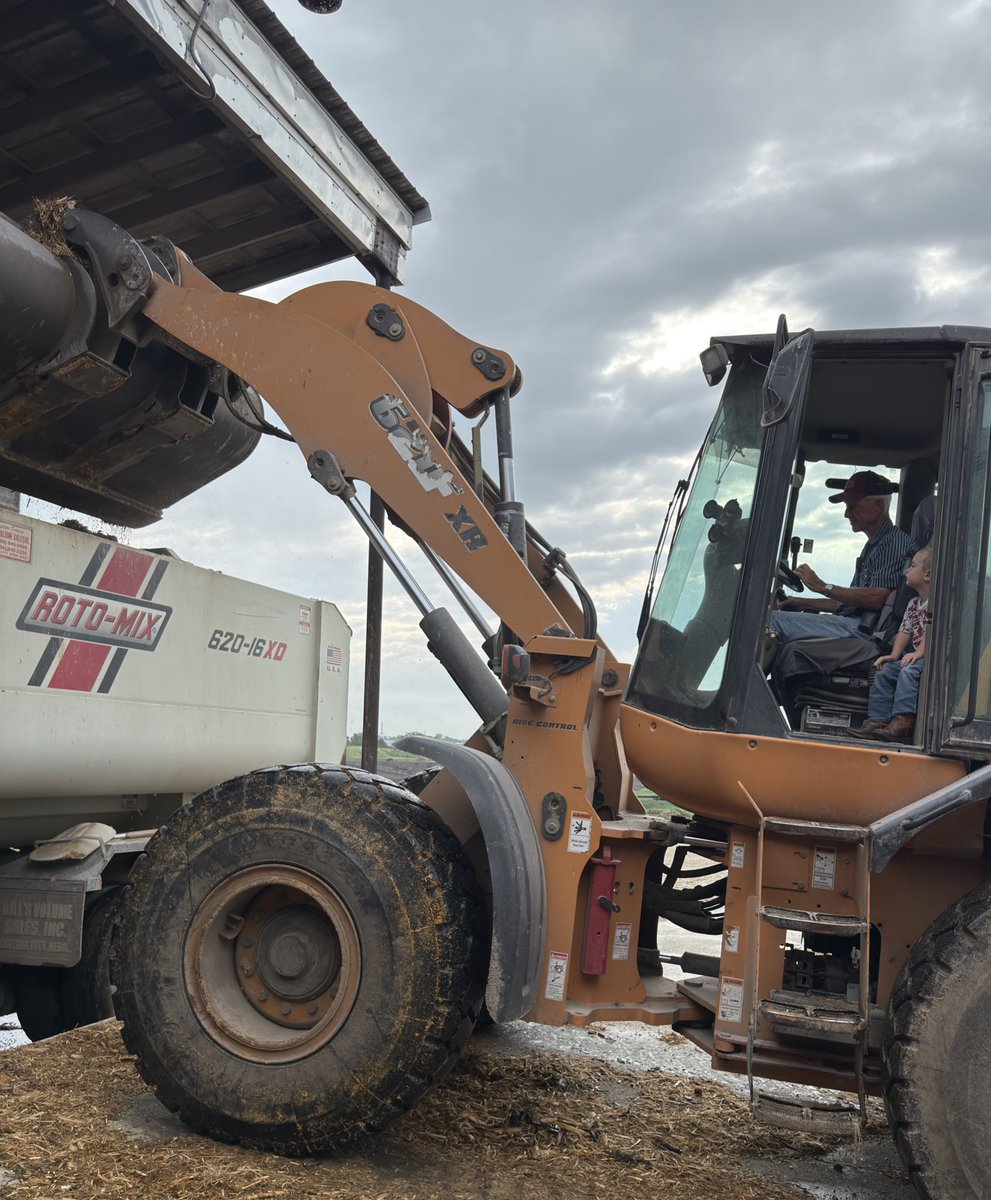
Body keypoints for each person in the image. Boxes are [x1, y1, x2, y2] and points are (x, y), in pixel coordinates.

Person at [771, 470, 916, 645]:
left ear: (878, 505)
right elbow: (851, 605)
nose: (847, 514)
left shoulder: (893, 544)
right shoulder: (875, 544)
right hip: (857, 623)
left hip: (867, 631)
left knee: (771, 621)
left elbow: (877, 600)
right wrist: (802, 603)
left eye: (853, 506)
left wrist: (822, 586)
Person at [851, 546, 932, 742]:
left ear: (927, 575)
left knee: (908, 670)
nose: (906, 571)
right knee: (885, 670)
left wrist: (919, 653)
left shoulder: (937, 602)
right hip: (918, 654)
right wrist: (894, 655)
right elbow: (905, 631)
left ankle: (903, 720)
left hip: (932, 656)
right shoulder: (913, 603)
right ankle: (877, 720)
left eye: (912, 566)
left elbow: (933, 631)